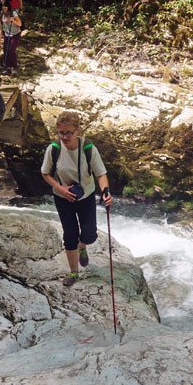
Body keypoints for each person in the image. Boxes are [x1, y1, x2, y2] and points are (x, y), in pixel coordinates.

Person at [41, 111, 113, 286]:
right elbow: (45, 173)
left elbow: (101, 173)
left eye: (68, 133)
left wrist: (106, 192)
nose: (64, 137)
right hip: (62, 197)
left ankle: (83, 247)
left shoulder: (88, 148)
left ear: (78, 131)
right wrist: (60, 188)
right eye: (61, 133)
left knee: (90, 234)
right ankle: (73, 273)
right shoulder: (54, 149)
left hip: (86, 196)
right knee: (70, 234)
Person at [0, 6, 22, 75]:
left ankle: (14, 67)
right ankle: (7, 67)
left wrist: (13, 20)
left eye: (5, 8)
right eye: (3, 8)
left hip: (15, 34)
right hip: (7, 34)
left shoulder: (13, 13)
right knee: (5, 50)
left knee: (11, 50)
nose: (4, 9)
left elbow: (20, 23)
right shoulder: (2, 13)